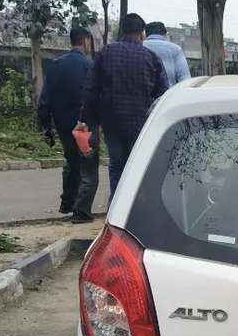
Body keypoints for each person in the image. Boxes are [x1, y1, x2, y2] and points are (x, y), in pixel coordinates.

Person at [77, 13, 168, 198]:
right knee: (137, 169)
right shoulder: (151, 58)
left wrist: (86, 119)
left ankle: (116, 208)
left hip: (112, 122)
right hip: (141, 124)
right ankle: (134, 209)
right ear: (142, 34)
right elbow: (163, 94)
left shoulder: (105, 54)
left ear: (122, 31)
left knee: (117, 166)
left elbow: (91, 90)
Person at [37, 27, 98, 223]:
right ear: (86, 41)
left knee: (71, 161)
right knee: (87, 166)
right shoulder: (90, 65)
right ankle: (81, 211)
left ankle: (68, 202)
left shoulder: (56, 65)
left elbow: (45, 99)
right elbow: (96, 97)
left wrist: (46, 127)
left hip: (63, 124)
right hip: (85, 126)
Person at [143, 21, 191, 86]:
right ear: (165, 34)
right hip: (169, 94)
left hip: (143, 94)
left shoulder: (140, 46)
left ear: (146, 34)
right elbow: (185, 79)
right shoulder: (176, 49)